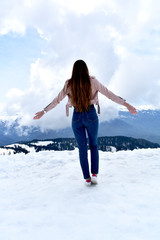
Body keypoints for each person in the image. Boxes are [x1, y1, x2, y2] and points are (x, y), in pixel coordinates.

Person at [33, 59, 137, 186]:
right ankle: (94, 174)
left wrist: (44, 111)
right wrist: (127, 105)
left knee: (82, 149)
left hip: (76, 117)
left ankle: (87, 178)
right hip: (91, 115)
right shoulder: (93, 81)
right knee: (93, 145)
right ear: (86, 69)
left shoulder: (69, 84)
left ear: (74, 70)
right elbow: (110, 94)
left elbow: (57, 100)